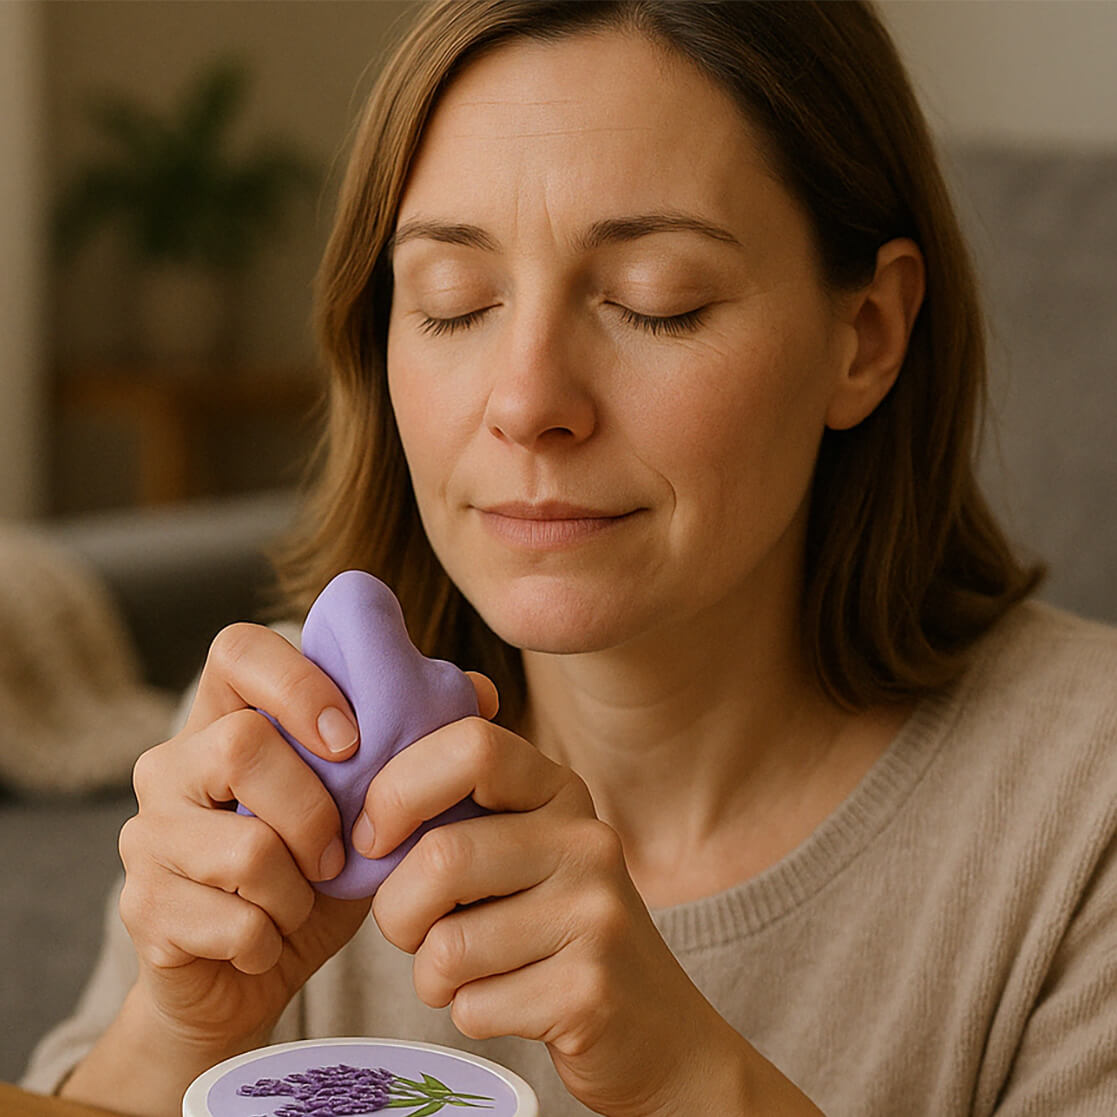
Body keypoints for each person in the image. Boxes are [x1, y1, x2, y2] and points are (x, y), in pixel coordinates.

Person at [24, 2, 1117, 1114]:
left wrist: (695, 1081)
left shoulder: (1085, 809)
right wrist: (180, 1030)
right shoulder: (280, 751)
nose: (528, 401)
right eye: (455, 305)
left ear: (867, 334)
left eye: (657, 302)